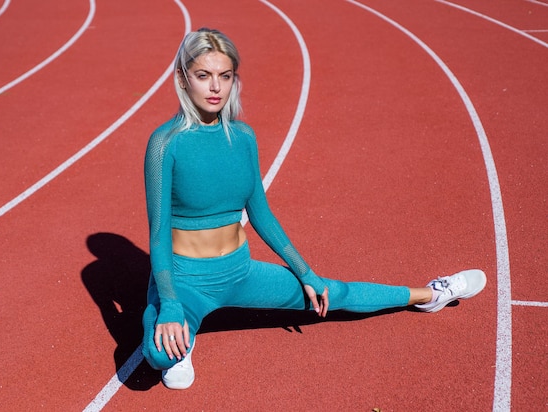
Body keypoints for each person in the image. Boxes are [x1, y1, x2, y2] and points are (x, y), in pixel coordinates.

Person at [141, 28, 486, 390]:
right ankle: (181, 325)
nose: (215, 87)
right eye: (203, 75)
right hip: (186, 280)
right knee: (161, 356)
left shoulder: (243, 138)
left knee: (330, 294)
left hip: (239, 271)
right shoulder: (165, 144)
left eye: (224, 76)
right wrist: (170, 303)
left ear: (233, 80)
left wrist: (305, 272)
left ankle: (430, 295)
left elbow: (260, 214)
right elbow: (159, 231)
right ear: (182, 78)